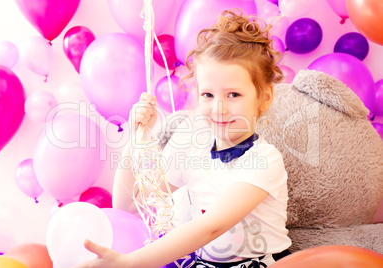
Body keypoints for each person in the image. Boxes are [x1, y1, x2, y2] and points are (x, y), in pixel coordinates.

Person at [73, 9, 291, 268]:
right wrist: (136, 138)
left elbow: (211, 228)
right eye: (208, 95)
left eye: (233, 95)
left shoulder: (264, 160)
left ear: (264, 97)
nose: (218, 108)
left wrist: (129, 263)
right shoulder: (193, 147)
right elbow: (128, 203)